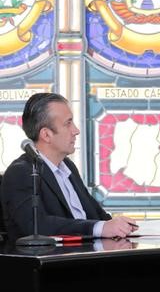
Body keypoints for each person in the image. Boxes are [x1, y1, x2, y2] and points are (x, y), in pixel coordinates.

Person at [1, 93, 137, 239]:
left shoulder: (68, 166)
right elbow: (36, 225)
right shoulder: (21, 172)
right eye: (68, 123)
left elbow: (97, 216)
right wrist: (99, 228)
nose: (76, 130)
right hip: (58, 259)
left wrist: (121, 226)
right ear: (46, 135)